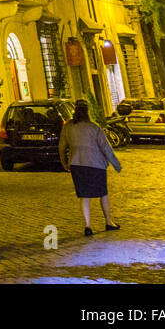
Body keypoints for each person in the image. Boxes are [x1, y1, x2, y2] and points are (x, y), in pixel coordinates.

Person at [58, 99, 122, 236]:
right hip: (96, 165)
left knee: (84, 196)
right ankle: (109, 222)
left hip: (77, 165)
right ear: (87, 112)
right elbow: (106, 148)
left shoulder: (68, 127)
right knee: (103, 194)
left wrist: (64, 163)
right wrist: (116, 164)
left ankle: (87, 226)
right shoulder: (94, 128)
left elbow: (62, 147)